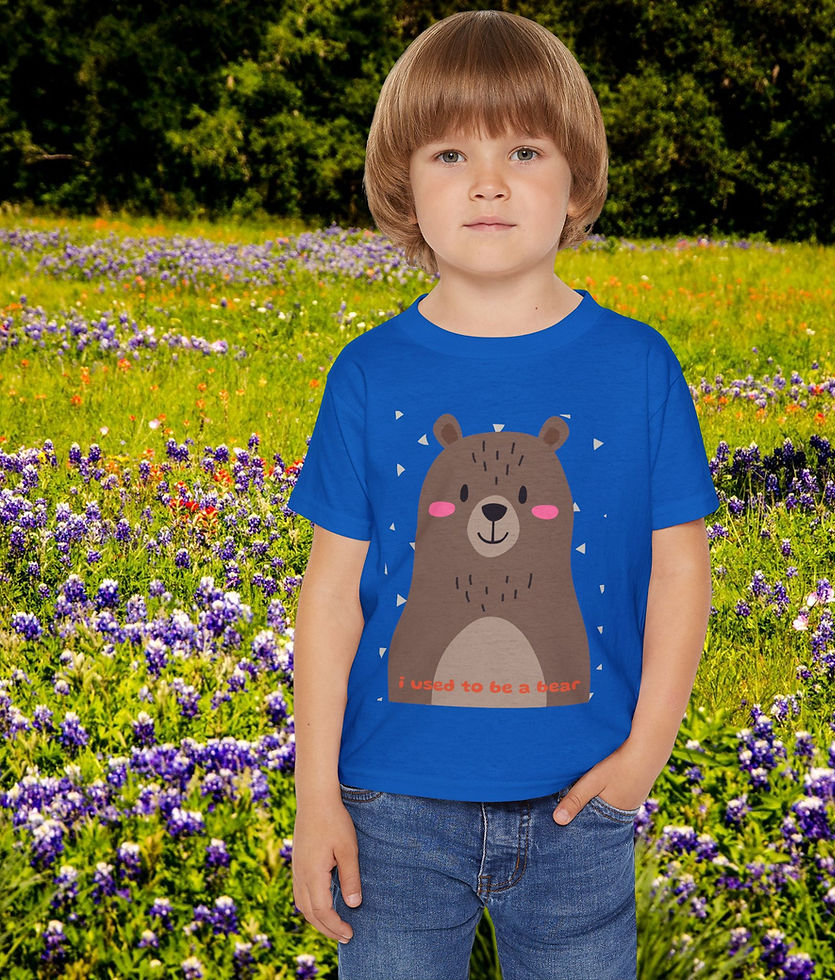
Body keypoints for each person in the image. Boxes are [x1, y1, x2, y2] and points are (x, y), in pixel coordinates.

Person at [287, 10, 718, 980]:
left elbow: (678, 568)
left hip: (582, 797)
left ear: (576, 180)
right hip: (387, 802)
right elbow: (329, 595)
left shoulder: (636, 366)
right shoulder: (369, 373)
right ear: (403, 187)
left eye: (523, 148)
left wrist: (642, 757)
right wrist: (317, 794)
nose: (487, 181)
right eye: (448, 153)